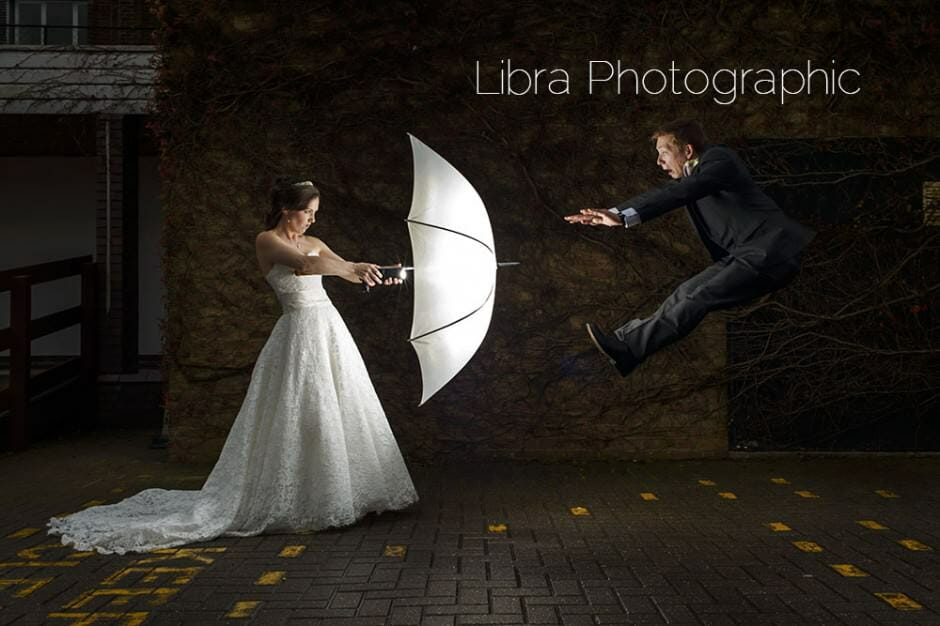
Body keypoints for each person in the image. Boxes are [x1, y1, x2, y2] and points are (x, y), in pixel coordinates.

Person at [48, 178, 418, 554]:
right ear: (287, 210)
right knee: (299, 410)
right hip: (298, 333)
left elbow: (343, 269)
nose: (312, 220)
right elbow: (306, 268)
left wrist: (372, 271)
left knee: (337, 408)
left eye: (315, 213)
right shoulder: (267, 241)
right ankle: (303, 501)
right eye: (308, 212)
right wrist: (347, 266)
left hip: (329, 331)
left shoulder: (316, 243)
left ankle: (341, 495)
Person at [565, 120, 814, 377]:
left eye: (664, 152)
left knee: (699, 296)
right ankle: (626, 348)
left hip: (771, 250)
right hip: (745, 254)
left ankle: (630, 347)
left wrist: (624, 216)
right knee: (686, 292)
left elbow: (682, 192)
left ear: (688, 151)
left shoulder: (719, 161)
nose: (659, 162)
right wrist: (615, 213)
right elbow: (668, 192)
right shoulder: (694, 177)